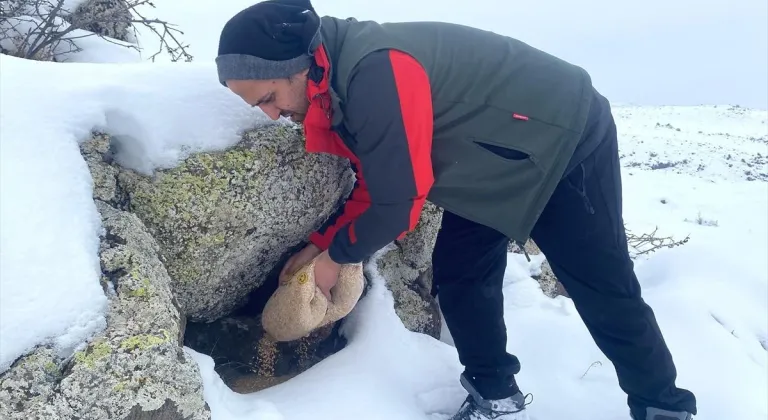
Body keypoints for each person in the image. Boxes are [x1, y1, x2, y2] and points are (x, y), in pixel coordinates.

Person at [214, 1, 698, 419]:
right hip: (489, 157)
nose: (272, 114)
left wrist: (336, 258)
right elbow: (378, 183)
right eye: (258, 107)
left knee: (599, 282)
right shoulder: (330, 84)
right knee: (462, 273)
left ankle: (664, 406)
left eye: (270, 99)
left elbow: (399, 200)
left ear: (298, 66)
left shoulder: (373, 72)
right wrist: (322, 243)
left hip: (561, 136)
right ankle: (495, 394)